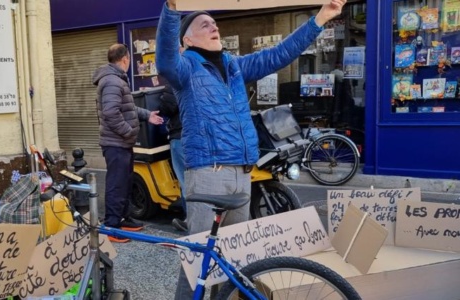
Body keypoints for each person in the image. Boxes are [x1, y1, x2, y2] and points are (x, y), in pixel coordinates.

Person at [155, 0, 346, 297]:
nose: (213, 26)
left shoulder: (234, 66)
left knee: (232, 261)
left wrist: (320, 18)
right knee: (197, 261)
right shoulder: (185, 68)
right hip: (208, 172)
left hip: (243, 173)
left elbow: (279, 54)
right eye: (203, 24)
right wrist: (171, 8)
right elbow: (165, 57)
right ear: (187, 40)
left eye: (214, 22)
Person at [92, 43, 164, 242]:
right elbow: (110, 113)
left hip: (121, 142)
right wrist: (129, 131)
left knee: (125, 181)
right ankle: (112, 226)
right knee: (117, 184)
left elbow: (128, 108)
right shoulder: (113, 82)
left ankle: (123, 219)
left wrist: (148, 115)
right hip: (116, 142)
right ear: (125, 59)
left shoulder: (116, 80)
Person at [158, 80, 188, 232]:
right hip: (197, 136)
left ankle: (191, 220)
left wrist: (162, 96)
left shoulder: (174, 83)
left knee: (185, 180)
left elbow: (168, 107)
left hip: (180, 135)